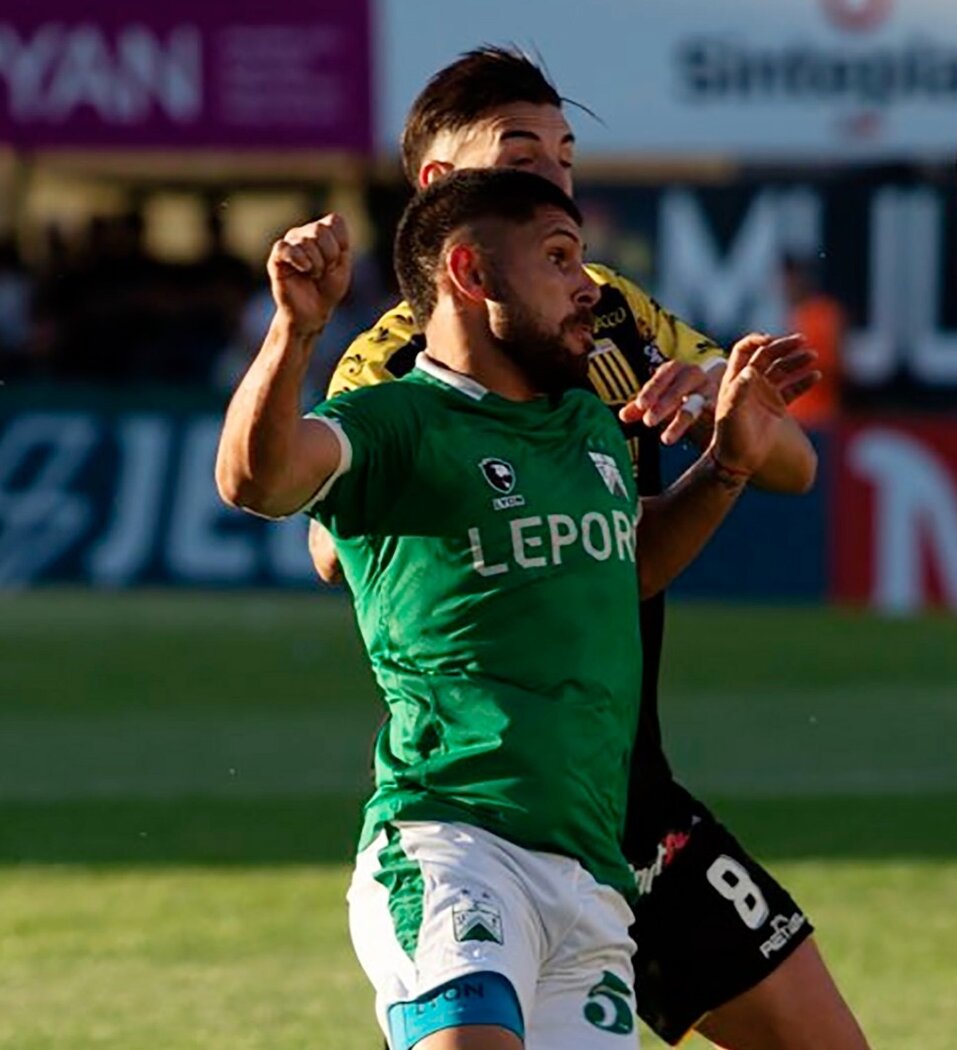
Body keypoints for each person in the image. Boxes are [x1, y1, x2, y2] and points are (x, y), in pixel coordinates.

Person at [311, 47, 869, 1050]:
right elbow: (324, 535)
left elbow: (790, 463)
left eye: (566, 152)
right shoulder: (399, 357)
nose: (556, 172)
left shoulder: (605, 309)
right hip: (495, 799)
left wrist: (706, 405)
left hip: (633, 799)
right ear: (447, 189)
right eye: (523, 152)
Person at [215, 168, 821, 1049]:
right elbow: (254, 480)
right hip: (453, 845)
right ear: (471, 273)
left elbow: (632, 561)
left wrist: (727, 465)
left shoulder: (585, 424)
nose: (589, 287)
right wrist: (295, 331)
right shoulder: (398, 422)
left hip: (590, 881)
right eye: (560, 258)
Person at [781, 253, 846, 429]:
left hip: (817, 416)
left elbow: (832, 364)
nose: (787, 285)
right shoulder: (790, 314)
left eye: (793, 278)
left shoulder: (823, 314)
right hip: (789, 417)